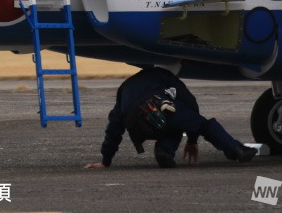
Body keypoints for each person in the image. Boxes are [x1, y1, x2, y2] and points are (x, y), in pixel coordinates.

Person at [85, 67, 257, 169]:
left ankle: (164, 151)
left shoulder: (125, 86)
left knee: (171, 125)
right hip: (158, 105)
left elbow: (115, 125)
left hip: (136, 124)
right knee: (202, 124)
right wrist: (192, 140)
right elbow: (191, 103)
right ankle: (236, 150)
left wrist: (106, 160)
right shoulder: (167, 76)